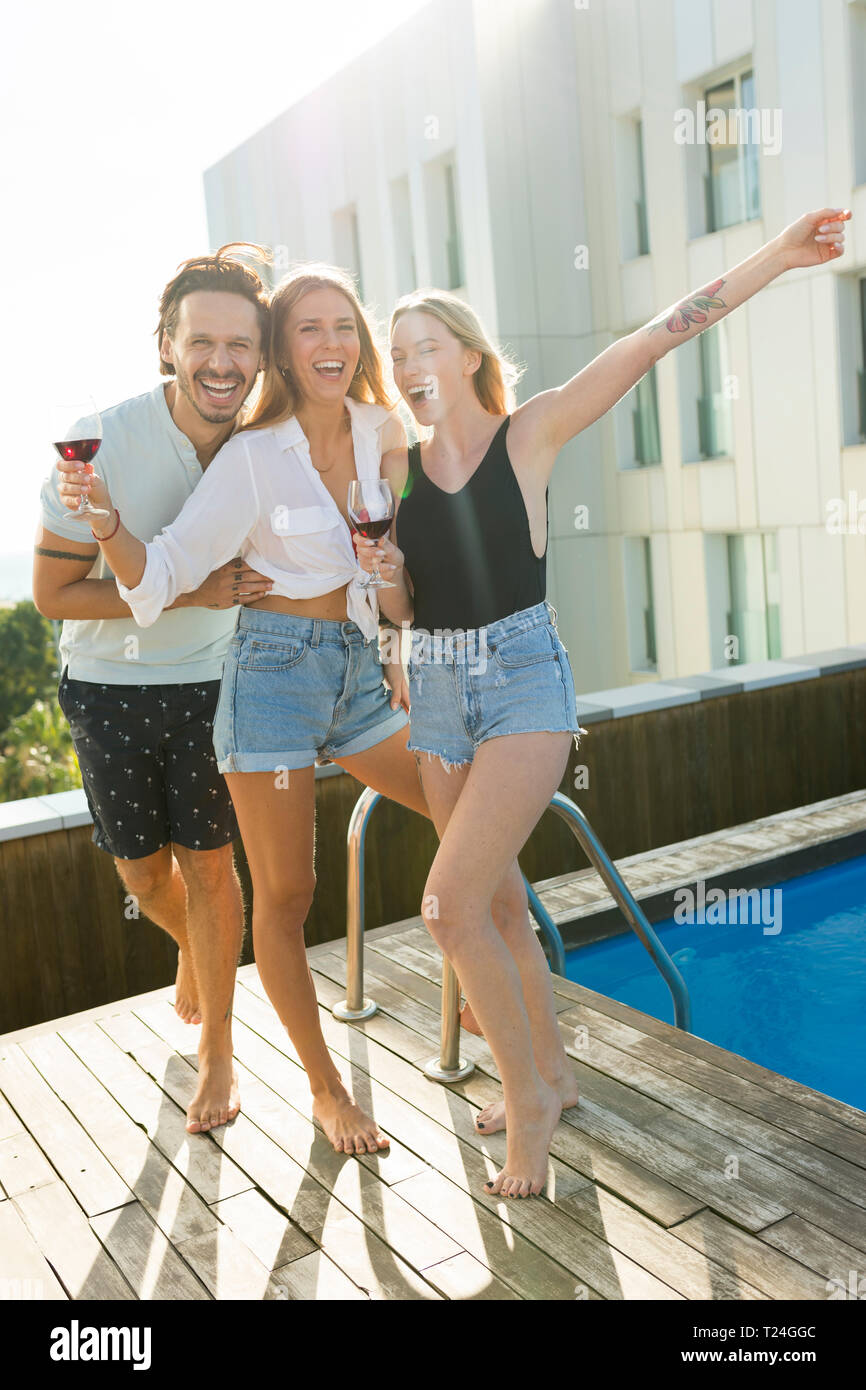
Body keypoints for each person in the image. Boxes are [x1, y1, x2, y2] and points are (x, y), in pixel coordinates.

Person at [355, 207, 852, 1198]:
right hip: (440, 685)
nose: (410, 361)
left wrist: (780, 256)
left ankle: (525, 1102)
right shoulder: (393, 466)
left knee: (445, 908)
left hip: (523, 680)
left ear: (463, 353)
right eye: (397, 349)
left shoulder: (529, 430)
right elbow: (407, 609)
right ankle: (552, 1073)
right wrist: (384, 584)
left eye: (426, 344)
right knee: (492, 902)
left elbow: (659, 332)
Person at [57, 264, 423, 1156]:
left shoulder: (388, 435)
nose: (330, 343)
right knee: (286, 897)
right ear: (282, 357)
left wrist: (402, 639)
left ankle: (490, 992)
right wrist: (106, 522)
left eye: (344, 325)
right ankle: (324, 1090)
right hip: (267, 684)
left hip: (358, 675)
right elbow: (161, 578)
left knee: (465, 808)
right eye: (308, 330)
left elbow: (410, 568)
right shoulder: (253, 456)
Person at [36, 244, 274, 1135]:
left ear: (260, 354)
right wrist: (194, 588)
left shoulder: (266, 445)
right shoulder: (96, 444)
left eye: (240, 345)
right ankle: (194, 951)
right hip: (106, 686)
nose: (222, 362)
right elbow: (53, 594)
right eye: (201, 341)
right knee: (141, 872)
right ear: (167, 346)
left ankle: (219, 1048)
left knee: (211, 867)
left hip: (216, 681)